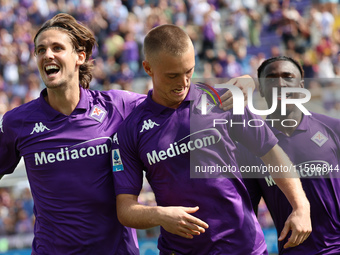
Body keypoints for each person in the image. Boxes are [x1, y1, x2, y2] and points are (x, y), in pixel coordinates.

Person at [0, 13, 257, 254]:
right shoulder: (17, 122)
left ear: (80, 56)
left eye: (57, 48)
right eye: (40, 50)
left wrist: (247, 82)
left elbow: (175, 94)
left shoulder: (120, 106)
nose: (47, 55)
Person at [112, 24, 311, 255]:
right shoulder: (130, 130)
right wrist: (160, 215)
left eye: (189, 71)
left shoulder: (223, 99)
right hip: (180, 250)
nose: (183, 82)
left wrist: (301, 206)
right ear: (148, 68)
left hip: (244, 247)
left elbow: (271, 152)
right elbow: (125, 208)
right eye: (172, 75)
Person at [238, 56, 340, 254]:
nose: (280, 84)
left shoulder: (333, 129)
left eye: (287, 76)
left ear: (301, 86)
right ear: (261, 88)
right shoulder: (249, 147)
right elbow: (246, 215)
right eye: (271, 78)